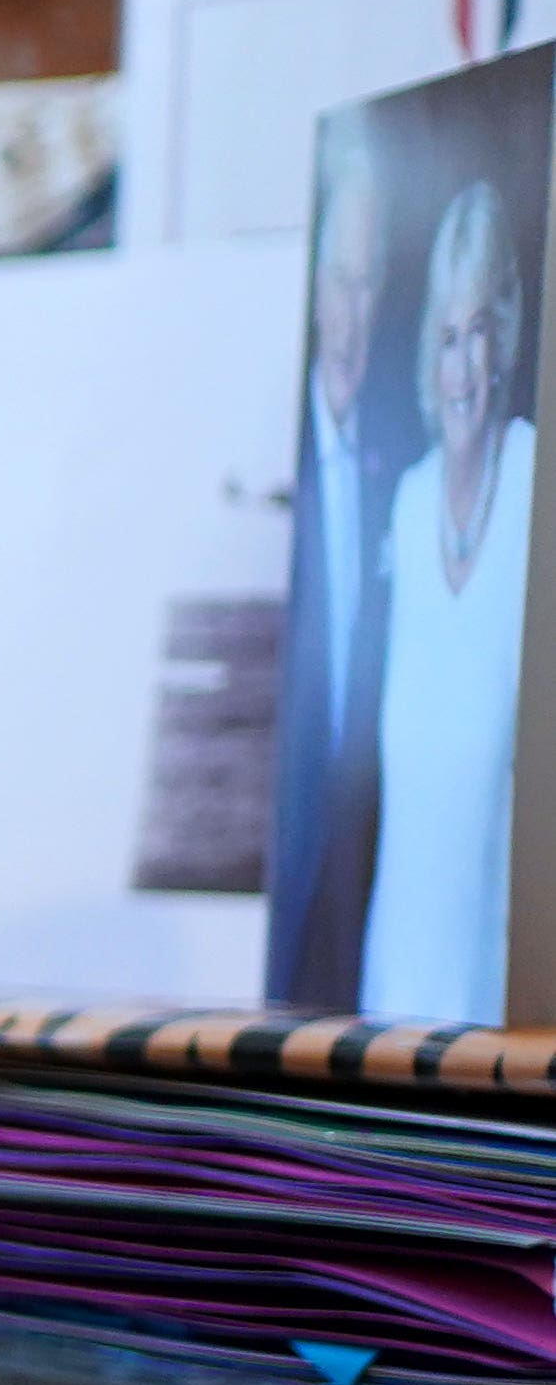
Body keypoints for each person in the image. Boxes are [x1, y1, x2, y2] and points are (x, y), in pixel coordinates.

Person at [360, 175, 533, 1021]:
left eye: (478, 335)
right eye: (444, 338)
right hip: (394, 981)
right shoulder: (411, 501)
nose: (461, 369)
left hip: (502, 997)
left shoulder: (538, 479)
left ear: (503, 342)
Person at [269, 141, 393, 1008]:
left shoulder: (401, 468)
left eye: (369, 283)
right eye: (336, 280)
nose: (351, 313)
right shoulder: (268, 455)